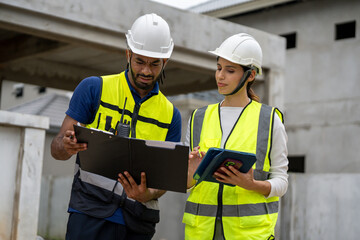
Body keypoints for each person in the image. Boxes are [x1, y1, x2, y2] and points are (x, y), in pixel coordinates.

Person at [51, 13, 181, 240]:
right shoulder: (93, 89)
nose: (146, 71)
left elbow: (165, 181)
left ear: (165, 62)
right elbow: (56, 149)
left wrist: (147, 193)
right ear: (128, 53)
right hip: (89, 215)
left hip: (138, 223)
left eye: (154, 64)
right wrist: (66, 145)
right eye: (140, 61)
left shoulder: (172, 115)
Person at [183, 33, 289, 240]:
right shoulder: (198, 118)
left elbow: (282, 182)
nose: (220, 76)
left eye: (230, 70)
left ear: (250, 75)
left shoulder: (269, 120)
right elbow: (185, 183)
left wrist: (252, 185)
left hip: (248, 234)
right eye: (219, 68)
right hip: (201, 233)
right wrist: (191, 172)